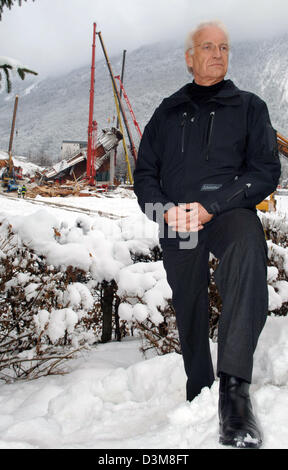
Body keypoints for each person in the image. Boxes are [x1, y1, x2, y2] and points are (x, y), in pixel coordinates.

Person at [133, 20, 281, 448]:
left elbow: (265, 171)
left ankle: (234, 395)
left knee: (248, 249)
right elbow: (144, 177)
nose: (218, 53)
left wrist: (210, 207)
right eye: (208, 47)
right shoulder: (167, 111)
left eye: (224, 47)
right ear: (189, 58)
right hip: (178, 217)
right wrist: (167, 212)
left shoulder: (250, 107)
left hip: (227, 211)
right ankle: (198, 386)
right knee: (189, 298)